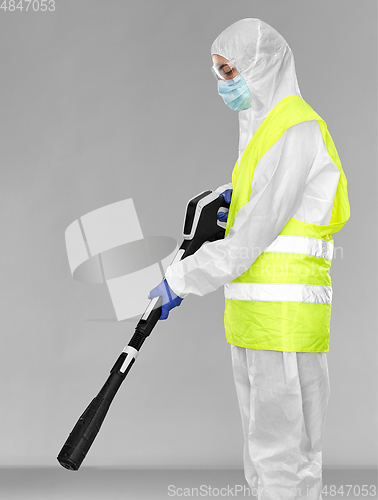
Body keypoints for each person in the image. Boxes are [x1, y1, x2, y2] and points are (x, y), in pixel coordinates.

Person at [149, 18, 350, 500]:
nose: (223, 84)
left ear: (261, 67)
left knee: (285, 458)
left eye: (230, 71)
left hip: (284, 322)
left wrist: (180, 278)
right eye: (218, 73)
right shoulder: (265, 134)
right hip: (253, 320)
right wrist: (230, 200)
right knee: (265, 456)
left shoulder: (296, 129)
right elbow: (255, 215)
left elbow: (253, 237)